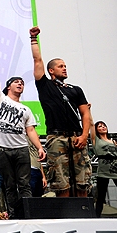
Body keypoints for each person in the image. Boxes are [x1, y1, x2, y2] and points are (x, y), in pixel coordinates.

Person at [30, 26, 91, 197]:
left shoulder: (76, 89)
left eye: (65, 66)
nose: (64, 68)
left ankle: (84, 216)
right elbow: (37, 60)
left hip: (77, 136)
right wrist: (33, 39)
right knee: (60, 181)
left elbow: (85, 113)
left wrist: (85, 135)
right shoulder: (45, 85)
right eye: (60, 66)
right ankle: (65, 218)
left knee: (82, 182)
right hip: (57, 137)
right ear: (51, 71)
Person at [0, 39, 45, 218]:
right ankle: (13, 216)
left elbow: (31, 131)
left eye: (22, 82)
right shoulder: (0, 100)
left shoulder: (26, 109)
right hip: (3, 150)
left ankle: (27, 215)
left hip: (21, 150)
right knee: (10, 185)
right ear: (8, 86)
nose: (20, 84)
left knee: (25, 184)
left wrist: (39, 147)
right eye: (16, 82)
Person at [89, 106, 117, 217]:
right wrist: (88, 111)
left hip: (116, 168)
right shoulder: (96, 140)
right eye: (100, 126)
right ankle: (97, 217)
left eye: (104, 126)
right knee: (101, 195)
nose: (103, 127)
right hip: (103, 169)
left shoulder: (113, 141)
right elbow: (91, 124)